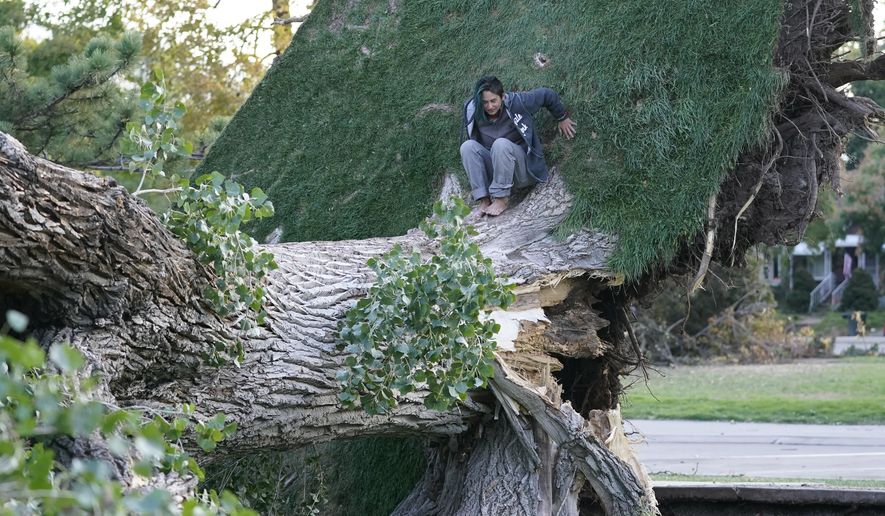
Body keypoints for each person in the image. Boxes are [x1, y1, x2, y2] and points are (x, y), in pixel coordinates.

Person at [460, 76, 576, 216]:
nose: (489, 106)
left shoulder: (518, 102)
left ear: (502, 96)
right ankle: (484, 199)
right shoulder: (472, 110)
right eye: (485, 102)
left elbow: (546, 94)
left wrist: (562, 117)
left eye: (493, 101)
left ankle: (501, 199)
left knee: (500, 144)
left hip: (523, 170)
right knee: (467, 147)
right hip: (497, 171)